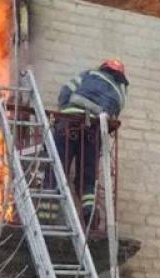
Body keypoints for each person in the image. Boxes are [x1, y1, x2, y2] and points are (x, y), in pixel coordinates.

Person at [41, 59, 129, 225]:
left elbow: (65, 91)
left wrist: (66, 110)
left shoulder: (88, 74)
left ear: (103, 68)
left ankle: (48, 214)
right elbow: (114, 113)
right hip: (94, 129)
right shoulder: (120, 90)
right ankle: (90, 215)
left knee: (57, 166)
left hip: (69, 122)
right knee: (87, 175)